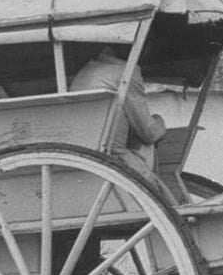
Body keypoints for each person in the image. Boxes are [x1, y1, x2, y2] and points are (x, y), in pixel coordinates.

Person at [71, 44, 167, 177]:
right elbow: (149, 132)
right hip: (113, 156)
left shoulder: (86, 69)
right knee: (155, 188)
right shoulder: (126, 71)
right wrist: (160, 121)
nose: (145, 51)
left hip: (82, 151)